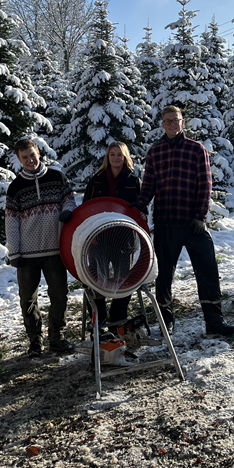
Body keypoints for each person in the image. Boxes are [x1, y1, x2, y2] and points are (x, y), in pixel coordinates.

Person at [134, 106, 234, 337]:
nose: (172, 124)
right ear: (162, 125)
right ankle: (166, 321)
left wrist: (200, 217)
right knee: (164, 276)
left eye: (175, 120)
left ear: (183, 122)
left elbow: (205, 186)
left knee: (207, 270)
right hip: (165, 223)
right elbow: (148, 187)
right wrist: (136, 208)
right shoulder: (155, 152)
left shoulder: (196, 149)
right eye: (167, 121)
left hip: (193, 225)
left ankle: (214, 322)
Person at [5, 138, 77, 357]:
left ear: (39, 153)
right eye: (24, 157)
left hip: (55, 251)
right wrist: (14, 252)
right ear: (19, 159)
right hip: (27, 254)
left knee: (60, 295)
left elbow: (70, 200)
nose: (30, 160)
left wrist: (67, 211)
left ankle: (58, 337)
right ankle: (35, 340)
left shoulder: (57, 177)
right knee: (27, 299)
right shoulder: (16, 187)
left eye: (32, 155)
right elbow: (11, 221)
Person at [83, 141, 142, 328]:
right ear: (107, 157)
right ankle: (98, 318)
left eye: (120, 155)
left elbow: (141, 208)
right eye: (112, 154)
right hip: (99, 237)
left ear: (126, 157)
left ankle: (118, 317)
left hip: (125, 239)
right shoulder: (96, 180)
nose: (116, 158)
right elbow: (86, 207)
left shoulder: (133, 181)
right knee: (95, 277)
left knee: (125, 278)